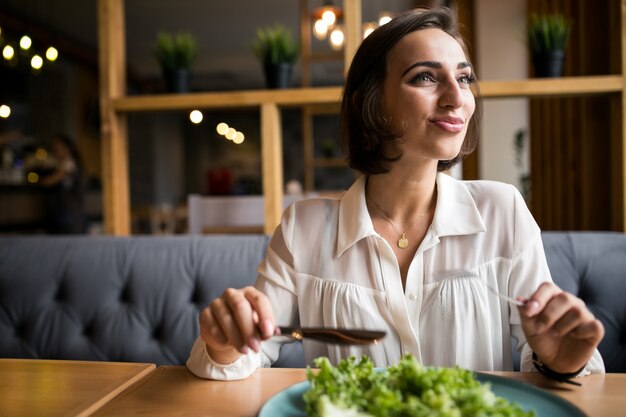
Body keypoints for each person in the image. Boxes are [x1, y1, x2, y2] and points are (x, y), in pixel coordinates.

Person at [187, 7, 605, 380]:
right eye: (425, 77)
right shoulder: (304, 227)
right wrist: (225, 343)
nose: (457, 97)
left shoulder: (503, 210)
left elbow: (552, 359)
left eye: (463, 77)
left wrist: (559, 360)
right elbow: (245, 357)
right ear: (370, 102)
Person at [40, 134, 86, 234]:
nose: (55, 151)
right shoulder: (65, 163)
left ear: (67, 148)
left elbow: (50, 182)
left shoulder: (69, 164)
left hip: (70, 211)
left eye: (57, 148)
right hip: (68, 211)